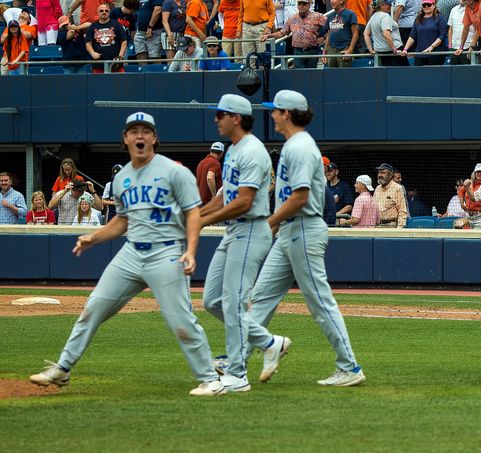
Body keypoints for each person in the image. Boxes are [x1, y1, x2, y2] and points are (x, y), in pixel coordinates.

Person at [29, 112, 225, 396]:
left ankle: (211, 379)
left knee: (180, 320)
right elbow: (123, 220)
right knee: (92, 308)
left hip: (167, 252)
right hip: (132, 253)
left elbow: (193, 213)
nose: (140, 136)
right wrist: (94, 237)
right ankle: (63, 367)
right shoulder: (122, 179)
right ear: (125, 138)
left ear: (155, 138)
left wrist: (192, 250)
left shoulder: (174, 172)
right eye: (134, 131)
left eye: (146, 131)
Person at [245, 89, 366, 387]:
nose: (272, 114)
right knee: (260, 299)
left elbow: (299, 197)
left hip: (303, 227)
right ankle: (234, 361)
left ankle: (349, 367)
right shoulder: (293, 145)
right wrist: (275, 226)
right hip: (290, 229)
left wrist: (269, 223)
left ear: (286, 113)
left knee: (320, 302)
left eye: (275, 110)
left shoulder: (299, 147)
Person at [196, 93, 274, 394]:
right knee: (212, 300)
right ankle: (269, 342)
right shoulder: (233, 149)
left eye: (221, 114)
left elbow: (244, 201)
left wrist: (202, 222)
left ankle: (237, 375)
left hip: (251, 229)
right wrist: (195, 214)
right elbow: (223, 197)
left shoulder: (252, 151)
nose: (217, 119)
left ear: (236, 118)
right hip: (233, 232)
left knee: (233, 302)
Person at [263, 0, 327, 69]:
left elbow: (330, 26)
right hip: (298, 52)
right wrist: (269, 35)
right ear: (297, 5)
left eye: (304, 4)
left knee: (311, 75)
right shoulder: (292, 18)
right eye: (299, 4)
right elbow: (282, 33)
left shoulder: (317, 16)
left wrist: (323, 38)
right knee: (299, 75)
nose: (301, 6)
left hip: (312, 51)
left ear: (309, 5)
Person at [400, 0, 448, 66]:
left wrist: (432, 46)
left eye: (429, 4)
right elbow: (412, 36)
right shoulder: (418, 18)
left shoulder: (440, 18)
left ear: (434, 5)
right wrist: (405, 49)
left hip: (435, 53)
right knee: (419, 75)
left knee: (433, 75)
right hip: (420, 54)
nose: (426, 6)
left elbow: (443, 35)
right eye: (424, 5)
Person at [85, 3, 128, 72]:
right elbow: (88, 43)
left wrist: (120, 56)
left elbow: (124, 41)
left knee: (119, 82)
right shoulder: (92, 27)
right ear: (97, 13)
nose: (104, 12)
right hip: (98, 64)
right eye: (101, 11)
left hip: (115, 64)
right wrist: (92, 53)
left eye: (106, 11)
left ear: (109, 12)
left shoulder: (117, 24)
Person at [323, 0, 358, 68]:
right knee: (331, 76)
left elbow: (355, 34)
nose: (331, 1)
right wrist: (324, 52)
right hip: (331, 50)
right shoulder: (330, 16)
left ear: (341, 1)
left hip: (344, 49)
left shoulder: (350, 14)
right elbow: (329, 35)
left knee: (344, 76)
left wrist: (350, 50)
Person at [373, 162, 406, 226]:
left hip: (391, 225)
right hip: (377, 226)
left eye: (383, 173)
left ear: (390, 175)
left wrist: (400, 228)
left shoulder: (397, 188)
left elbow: (402, 211)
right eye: (379, 172)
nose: (379, 175)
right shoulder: (377, 188)